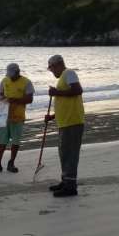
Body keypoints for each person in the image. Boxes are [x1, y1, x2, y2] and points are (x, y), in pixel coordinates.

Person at [0, 62, 35, 173]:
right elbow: (0, 94)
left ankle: (11, 163)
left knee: (15, 141)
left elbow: (30, 99)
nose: (10, 77)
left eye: (12, 74)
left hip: (18, 116)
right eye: (9, 75)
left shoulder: (26, 82)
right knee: (1, 140)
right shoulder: (5, 80)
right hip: (4, 115)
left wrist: (15, 100)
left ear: (17, 72)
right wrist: (3, 99)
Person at [44, 55, 84, 197]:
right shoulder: (63, 77)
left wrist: (56, 92)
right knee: (64, 153)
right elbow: (65, 102)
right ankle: (66, 181)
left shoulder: (69, 73)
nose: (52, 71)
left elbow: (78, 90)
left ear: (58, 65)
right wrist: (52, 116)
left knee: (70, 154)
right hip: (65, 122)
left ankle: (70, 186)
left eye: (52, 68)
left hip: (73, 122)